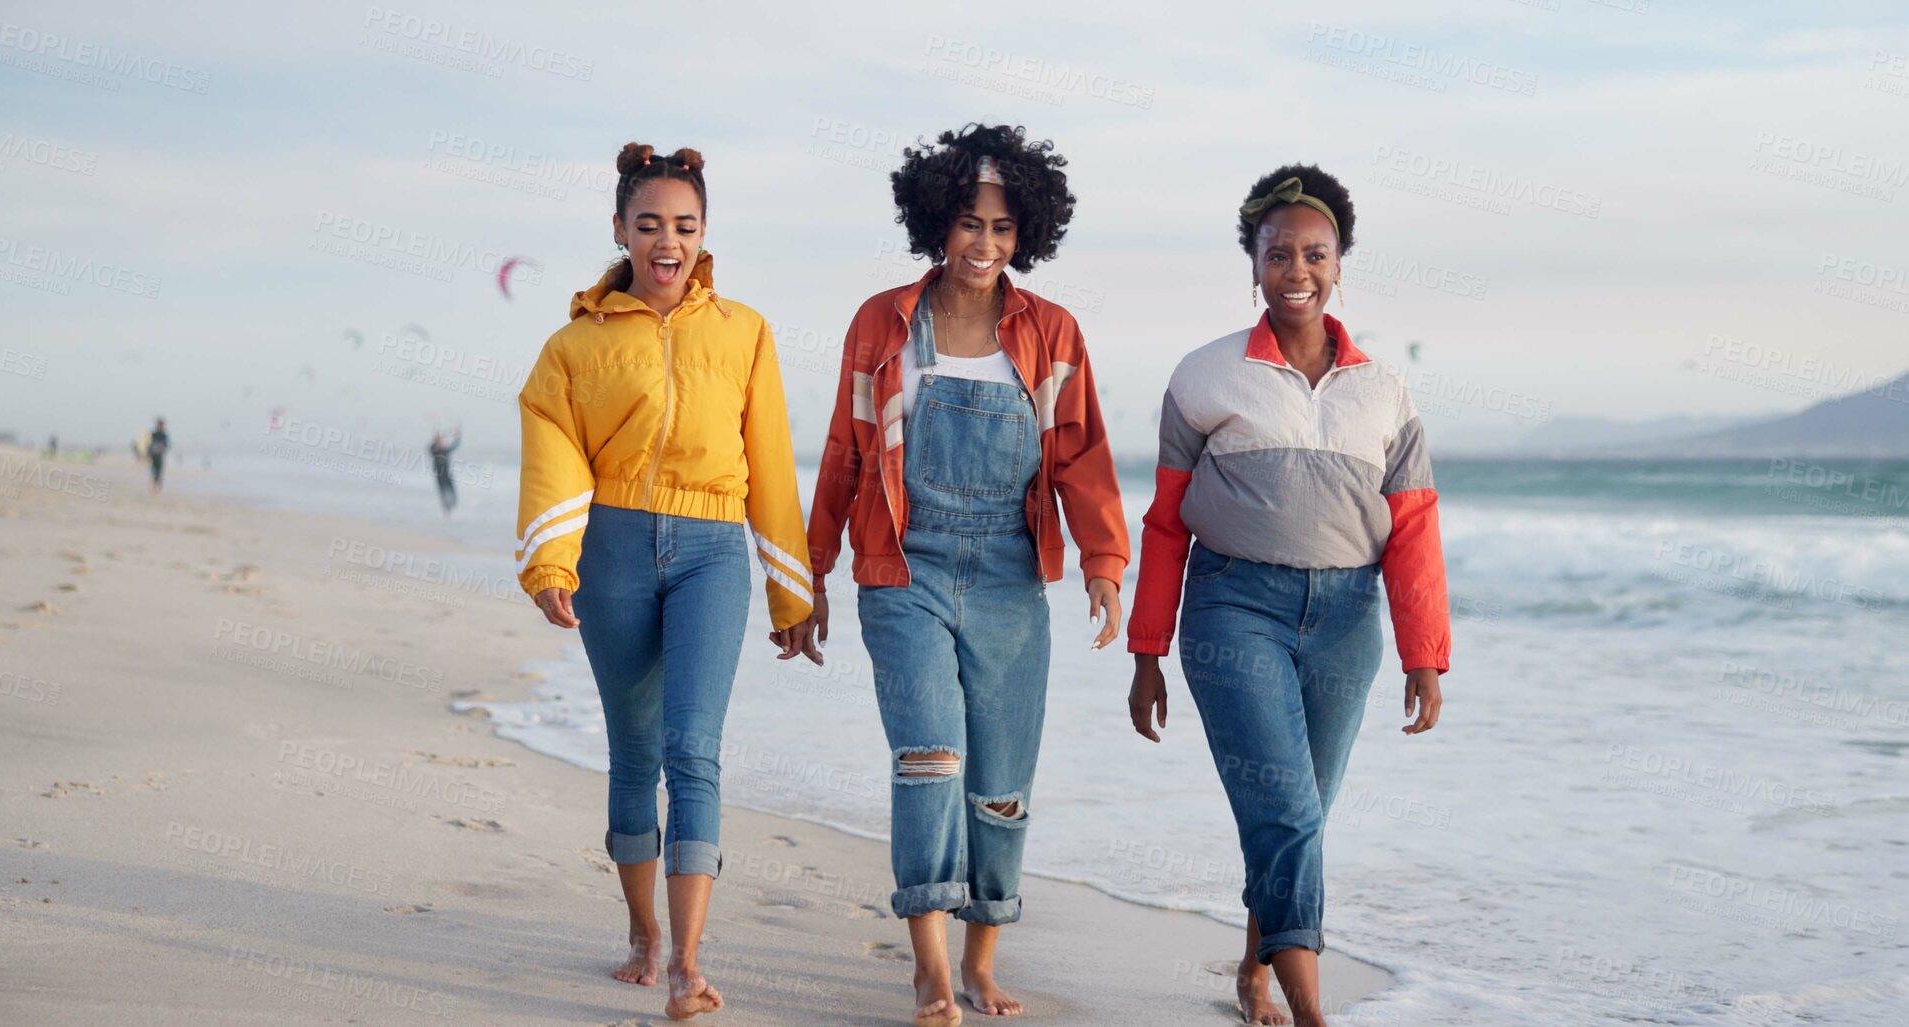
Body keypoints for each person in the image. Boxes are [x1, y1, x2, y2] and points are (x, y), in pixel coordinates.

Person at [801, 123, 1129, 1027]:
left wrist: (1103, 561)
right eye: (968, 223)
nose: (983, 245)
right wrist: (811, 569)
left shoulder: (1052, 332)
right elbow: (843, 453)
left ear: (1026, 234)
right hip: (901, 563)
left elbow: (1080, 456)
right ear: (935, 221)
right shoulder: (881, 322)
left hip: (1010, 576)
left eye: (1002, 228)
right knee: (930, 756)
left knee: (1001, 777)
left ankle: (984, 959)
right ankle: (931, 969)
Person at [1124, 165, 1448, 1027]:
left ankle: (1253, 966)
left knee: (1302, 811)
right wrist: (1145, 652)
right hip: (1235, 607)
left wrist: (1425, 655)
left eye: (1314, 253)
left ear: (1338, 262)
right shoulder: (1204, 375)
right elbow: (1163, 524)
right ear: (1253, 263)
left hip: (1347, 621)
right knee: (1288, 810)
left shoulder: (1384, 389)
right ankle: (1313, 1014)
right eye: (1277, 254)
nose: (1295, 270)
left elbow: (1413, 528)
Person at [514, 142, 815, 1022]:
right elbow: (551, 448)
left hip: (713, 551)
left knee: (693, 749)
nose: (666, 241)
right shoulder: (572, 343)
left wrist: (791, 591)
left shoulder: (745, 331)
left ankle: (687, 961)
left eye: (683, 225)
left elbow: (770, 459)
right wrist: (548, 560)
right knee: (634, 750)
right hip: (609, 548)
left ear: (703, 233)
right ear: (619, 230)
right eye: (649, 224)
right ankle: (643, 930)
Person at [429, 429, 460, 515]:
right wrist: (437, 439)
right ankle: (447, 511)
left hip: (447, 474)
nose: (441, 442)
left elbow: (455, 446)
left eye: (441, 441)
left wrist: (457, 436)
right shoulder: (434, 450)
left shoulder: (445, 450)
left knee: (452, 490)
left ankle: (455, 506)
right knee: (443, 492)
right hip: (439, 475)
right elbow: (431, 447)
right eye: (439, 440)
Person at [147, 418, 170, 493]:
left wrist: (162, 449)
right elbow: (149, 444)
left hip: (160, 455)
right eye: (161, 424)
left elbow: (166, 445)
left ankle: (157, 486)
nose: (162, 426)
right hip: (154, 455)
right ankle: (154, 485)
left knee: (159, 471)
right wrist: (149, 453)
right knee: (154, 470)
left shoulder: (164, 435)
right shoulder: (154, 434)